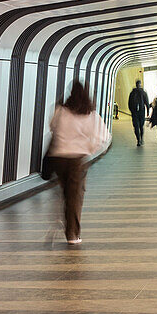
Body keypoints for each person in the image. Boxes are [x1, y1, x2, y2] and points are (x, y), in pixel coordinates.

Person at [48, 81, 111, 245]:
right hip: (76, 160)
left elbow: (52, 127)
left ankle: (61, 219)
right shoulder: (90, 114)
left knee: (66, 192)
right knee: (75, 196)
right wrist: (90, 148)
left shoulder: (61, 110)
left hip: (59, 157)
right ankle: (72, 235)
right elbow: (104, 137)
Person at [127, 79, 150, 146]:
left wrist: (132, 111)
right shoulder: (143, 93)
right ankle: (141, 138)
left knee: (136, 126)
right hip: (141, 111)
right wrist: (148, 111)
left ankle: (138, 140)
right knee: (141, 126)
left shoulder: (132, 93)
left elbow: (129, 103)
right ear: (140, 84)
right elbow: (147, 102)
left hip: (135, 112)